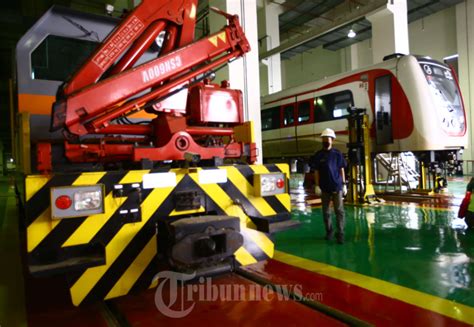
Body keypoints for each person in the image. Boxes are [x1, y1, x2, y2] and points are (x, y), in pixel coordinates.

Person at [310, 128, 347, 244]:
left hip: (337, 186)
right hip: (324, 188)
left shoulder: (337, 154)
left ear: (332, 140)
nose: (326, 141)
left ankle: (340, 234)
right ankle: (329, 232)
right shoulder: (318, 155)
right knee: (326, 212)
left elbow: (341, 169)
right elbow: (316, 171)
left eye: (328, 139)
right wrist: (317, 185)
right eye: (324, 139)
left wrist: (344, 184)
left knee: (339, 211)